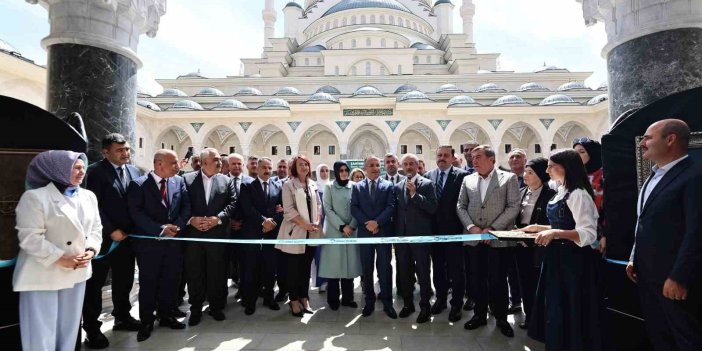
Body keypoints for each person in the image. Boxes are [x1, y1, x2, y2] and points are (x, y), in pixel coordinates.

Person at [13, 150, 102, 351]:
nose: (81, 172)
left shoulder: (89, 196)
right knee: (41, 331)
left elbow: (96, 228)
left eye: (83, 168)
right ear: (58, 170)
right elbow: (30, 237)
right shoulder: (35, 197)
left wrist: (91, 250)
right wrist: (60, 258)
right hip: (43, 273)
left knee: (69, 329)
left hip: (77, 271)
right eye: (75, 168)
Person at [626, 119, 702, 350]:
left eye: (648, 138)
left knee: (685, 338)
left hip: (675, 281)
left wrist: (679, 277)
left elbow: (696, 233)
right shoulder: (654, 175)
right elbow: (645, 221)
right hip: (648, 276)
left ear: (670, 139)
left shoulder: (694, 176)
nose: (642, 144)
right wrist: (634, 258)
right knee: (660, 336)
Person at [524, 149, 607, 350]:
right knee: (556, 306)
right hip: (557, 259)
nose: (547, 170)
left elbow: (587, 233)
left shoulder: (578, 194)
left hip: (574, 262)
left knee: (572, 307)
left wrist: (555, 234)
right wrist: (540, 228)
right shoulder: (561, 191)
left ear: (566, 167)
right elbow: (563, 223)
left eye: (552, 166)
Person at [82, 134, 141, 349]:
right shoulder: (95, 172)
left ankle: (122, 316)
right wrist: (111, 230)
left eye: (127, 149)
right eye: (120, 150)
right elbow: (94, 206)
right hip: (102, 242)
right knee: (95, 285)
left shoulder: (134, 171)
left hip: (127, 239)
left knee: (124, 280)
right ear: (106, 152)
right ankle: (92, 328)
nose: (126, 153)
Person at [457, 145, 520, 338]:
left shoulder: (508, 178)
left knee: (498, 280)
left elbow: (513, 207)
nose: (473, 160)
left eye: (478, 157)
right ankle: (479, 315)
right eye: (472, 157)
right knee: (476, 280)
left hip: (498, 240)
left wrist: (492, 229)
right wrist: (472, 228)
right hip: (474, 240)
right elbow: (461, 206)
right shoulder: (468, 179)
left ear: (491, 159)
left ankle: (501, 318)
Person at [128, 149, 191, 342]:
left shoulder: (179, 181)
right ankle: (147, 320)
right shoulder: (138, 185)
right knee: (148, 283)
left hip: (173, 243)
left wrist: (177, 226)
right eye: (173, 163)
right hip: (149, 245)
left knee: (170, 280)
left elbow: (186, 207)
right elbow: (136, 213)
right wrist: (160, 229)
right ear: (159, 163)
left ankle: (166, 315)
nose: (178, 166)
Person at [182, 148, 237, 326]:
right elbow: (182, 203)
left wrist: (218, 219)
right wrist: (191, 220)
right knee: (195, 273)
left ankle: (216, 307)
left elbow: (232, 203)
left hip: (217, 235)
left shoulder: (226, 180)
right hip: (194, 236)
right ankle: (196, 308)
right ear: (205, 162)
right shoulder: (187, 179)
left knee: (217, 273)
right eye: (216, 160)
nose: (220, 162)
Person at [351, 155, 398, 319]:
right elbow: (354, 208)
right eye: (371, 165)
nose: (375, 167)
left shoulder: (388, 186)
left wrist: (377, 223)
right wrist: (368, 223)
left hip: (383, 232)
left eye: (377, 165)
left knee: (385, 267)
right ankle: (369, 300)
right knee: (367, 268)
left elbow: (391, 207)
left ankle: (387, 302)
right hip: (365, 234)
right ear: (365, 168)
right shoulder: (357, 187)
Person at [425, 146, 468, 322]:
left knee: (456, 270)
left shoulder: (463, 176)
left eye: (446, 155)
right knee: (438, 269)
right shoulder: (428, 176)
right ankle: (441, 299)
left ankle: (456, 304)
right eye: (439, 155)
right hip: (434, 233)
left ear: (452, 158)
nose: (442, 158)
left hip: (455, 232)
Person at [275, 155, 322, 317]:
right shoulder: (288, 185)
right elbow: (288, 210)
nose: (304, 167)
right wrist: (306, 225)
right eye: (301, 164)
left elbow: (318, 205)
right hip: (295, 233)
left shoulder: (313, 184)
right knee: (293, 269)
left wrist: (315, 221)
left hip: (312, 233)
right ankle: (293, 300)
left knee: (305, 268)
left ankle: (304, 297)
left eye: (306, 164)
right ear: (295, 167)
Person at [394, 154, 437, 323]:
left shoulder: (427, 184)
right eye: (406, 164)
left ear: (418, 165)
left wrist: (415, 195)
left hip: (420, 237)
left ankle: (425, 306)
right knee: (404, 273)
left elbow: (432, 208)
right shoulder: (397, 186)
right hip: (402, 239)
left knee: (423, 273)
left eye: (412, 163)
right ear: (402, 167)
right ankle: (408, 304)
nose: (409, 167)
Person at [513, 158, 555, 330]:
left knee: (540, 284)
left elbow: (552, 222)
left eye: (530, 172)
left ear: (540, 175)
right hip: (520, 244)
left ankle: (542, 319)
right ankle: (530, 317)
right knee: (524, 282)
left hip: (540, 245)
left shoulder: (550, 195)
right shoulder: (521, 192)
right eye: (525, 172)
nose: (525, 175)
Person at [239, 157, 284, 315]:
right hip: (253, 233)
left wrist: (272, 222)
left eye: (269, 167)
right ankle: (250, 302)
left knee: (270, 269)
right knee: (251, 268)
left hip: (271, 233)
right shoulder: (247, 186)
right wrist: (262, 221)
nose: (267, 170)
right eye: (264, 167)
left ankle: (269, 298)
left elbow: (281, 209)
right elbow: (247, 208)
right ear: (257, 169)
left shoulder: (278, 185)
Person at [319, 161, 362, 310]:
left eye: (346, 170)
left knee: (348, 266)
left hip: (351, 231)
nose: (344, 173)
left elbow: (358, 208)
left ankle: (348, 298)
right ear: (336, 172)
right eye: (341, 170)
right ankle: (333, 300)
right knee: (334, 267)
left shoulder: (355, 187)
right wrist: (342, 226)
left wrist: (351, 225)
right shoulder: (329, 187)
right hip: (334, 231)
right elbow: (328, 209)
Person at [572, 137, 606, 255]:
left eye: (582, 152)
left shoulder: (604, 176)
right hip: (576, 235)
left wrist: (604, 235)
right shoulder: (574, 177)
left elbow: (609, 209)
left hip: (600, 235)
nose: (577, 156)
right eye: (574, 153)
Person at [227, 153, 253, 297]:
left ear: (243, 165)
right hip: (226, 228)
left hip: (245, 228)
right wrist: (229, 221)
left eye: (239, 164)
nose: (237, 166)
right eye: (234, 163)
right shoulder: (222, 181)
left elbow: (252, 205)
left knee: (245, 261)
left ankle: (244, 290)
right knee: (227, 261)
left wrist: (242, 221)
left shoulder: (251, 181)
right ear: (228, 165)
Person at [506, 148, 528, 314]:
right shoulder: (504, 179)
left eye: (518, 156)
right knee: (511, 270)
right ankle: (515, 301)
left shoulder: (530, 178)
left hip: (527, 233)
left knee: (524, 270)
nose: (514, 159)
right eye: (512, 157)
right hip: (508, 231)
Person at [460, 141, 479, 311]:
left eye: (472, 150)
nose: (468, 153)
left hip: (485, 230)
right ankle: (470, 295)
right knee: (466, 266)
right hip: (464, 228)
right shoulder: (462, 174)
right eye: (466, 150)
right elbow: (460, 204)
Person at [312, 164, 331, 292]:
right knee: (319, 255)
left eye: (326, 171)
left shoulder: (332, 187)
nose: (324, 173)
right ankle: (322, 281)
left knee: (331, 255)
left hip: (331, 226)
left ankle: (332, 280)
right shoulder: (313, 188)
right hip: (318, 225)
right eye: (322, 171)